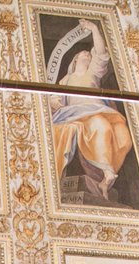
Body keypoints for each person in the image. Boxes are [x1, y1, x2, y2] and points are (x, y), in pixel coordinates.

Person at [48, 20, 132, 203]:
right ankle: (107, 172)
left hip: (98, 110)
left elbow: (101, 53)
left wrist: (94, 29)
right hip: (75, 115)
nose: (87, 54)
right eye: (83, 53)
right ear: (75, 60)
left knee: (124, 137)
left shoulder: (92, 74)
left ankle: (105, 179)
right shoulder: (66, 80)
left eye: (89, 53)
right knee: (100, 126)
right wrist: (57, 105)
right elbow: (54, 99)